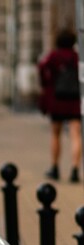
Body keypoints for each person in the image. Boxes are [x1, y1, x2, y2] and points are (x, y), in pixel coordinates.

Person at [38, 28, 82, 182]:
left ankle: (55, 167)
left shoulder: (53, 56)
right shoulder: (78, 57)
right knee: (75, 134)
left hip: (58, 100)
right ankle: (75, 169)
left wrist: (47, 85)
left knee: (55, 134)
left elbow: (42, 70)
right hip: (75, 101)